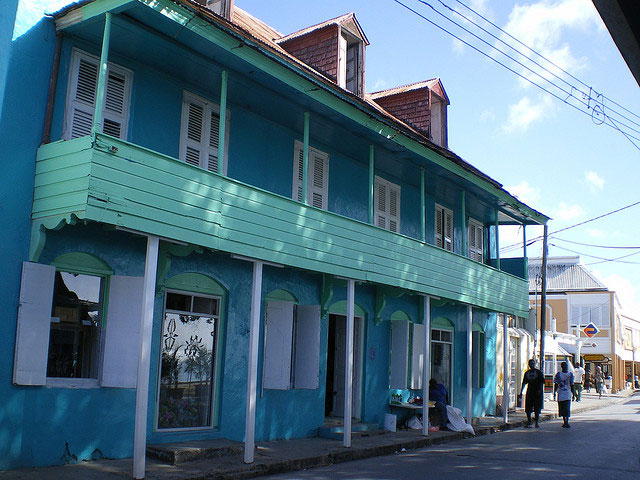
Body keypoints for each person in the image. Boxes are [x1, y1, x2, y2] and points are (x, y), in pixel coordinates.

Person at [519, 359, 544, 428]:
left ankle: (536, 423)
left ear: (535, 364)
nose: (531, 365)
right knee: (528, 408)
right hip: (530, 391)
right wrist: (521, 392)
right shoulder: (527, 373)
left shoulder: (538, 372)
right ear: (528, 364)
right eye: (530, 364)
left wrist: (540, 390)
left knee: (537, 408)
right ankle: (529, 422)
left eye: (533, 363)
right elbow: (524, 383)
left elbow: (541, 382)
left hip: (537, 392)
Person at [554, 361, 574, 428]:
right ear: (562, 367)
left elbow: (572, 385)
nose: (566, 367)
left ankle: (567, 421)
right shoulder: (558, 374)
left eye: (566, 366)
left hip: (567, 393)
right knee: (562, 407)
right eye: (564, 366)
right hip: (561, 393)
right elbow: (556, 384)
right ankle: (564, 421)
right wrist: (554, 392)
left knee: (567, 408)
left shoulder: (570, 374)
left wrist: (573, 394)